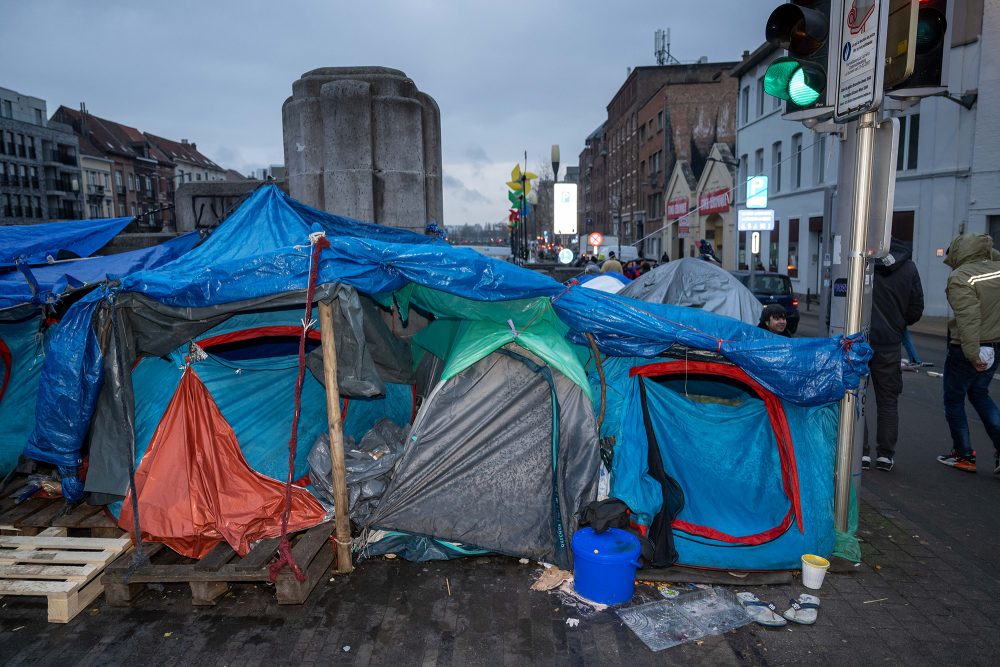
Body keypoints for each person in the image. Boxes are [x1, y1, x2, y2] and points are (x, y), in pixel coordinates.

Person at [936, 233, 1000, 476]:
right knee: (980, 394)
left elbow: (968, 318)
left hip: (968, 347)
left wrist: (972, 353)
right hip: (995, 345)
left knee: (954, 400)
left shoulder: (962, 277)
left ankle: (963, 454)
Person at [864, 240, 924, 472]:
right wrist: (898, 324)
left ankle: (861, 452)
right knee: (888, 400)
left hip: (860, 339)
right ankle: (885, 455)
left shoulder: (864, 263)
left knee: (856, 395)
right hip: (889, 343)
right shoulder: (909, 268)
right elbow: (916, 308)